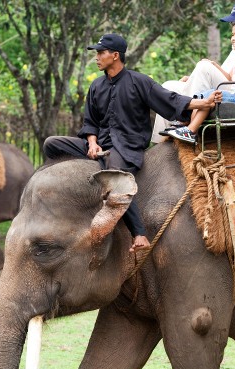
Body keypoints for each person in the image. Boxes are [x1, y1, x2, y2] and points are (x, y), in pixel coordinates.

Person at [43, 33, 219, 252]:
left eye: (100, 53)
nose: (96, 57)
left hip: (126, 146)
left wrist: (204, 102)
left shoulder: (139, 81)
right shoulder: (96, 86)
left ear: (115, 56)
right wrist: (92, 143)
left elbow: (170, 99)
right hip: (101, 144)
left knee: (116, 177)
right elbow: (90, 122)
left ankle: (139, 234)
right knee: (51, 143)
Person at [152, 1, 235, 143]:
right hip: (229, 84)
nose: (232, 28)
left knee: (204, 67)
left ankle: (186, 120)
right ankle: (161, 143)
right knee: (170, 86)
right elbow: (227, 76)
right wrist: (197, 75)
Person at [166, 17, 235, 144]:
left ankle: (191, 130)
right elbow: (229, 78)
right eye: (232, 35)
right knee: (205, 96)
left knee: (210, 95)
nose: (233, 38)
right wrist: (214, 65)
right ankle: (188, 128)